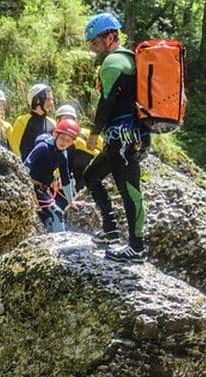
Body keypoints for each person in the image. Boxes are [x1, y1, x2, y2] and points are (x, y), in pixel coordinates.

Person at [83, 12, 151, 263]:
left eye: (96, 42)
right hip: (128, 137)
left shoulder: (113, 63)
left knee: (129, 190)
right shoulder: (130, 60)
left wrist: (93, 133)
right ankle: (111, 231)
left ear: (110, 37)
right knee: (91, 176)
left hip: (123, 138)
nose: (94, 48)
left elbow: (107, 101)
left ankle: (136, 247)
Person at [23, 119, 80, 233]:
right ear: (55, 134)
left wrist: (70, 202)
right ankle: (61, 243)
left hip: (43, 190)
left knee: (49, 219)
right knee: (57, 213)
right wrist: (24, 189)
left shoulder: (63, 154)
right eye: (62, 138)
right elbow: (27, 166)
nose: (64, 143)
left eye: (68, 141)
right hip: (32, 187)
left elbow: (65, 179)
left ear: (71, 143)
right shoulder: (43, 147)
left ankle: (55, 243)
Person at [54, 104, 103, 192]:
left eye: (71, 119)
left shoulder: (88, 135)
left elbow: (104, 150)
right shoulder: (56, 141)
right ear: (58, 122)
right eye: (65, 119)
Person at [9, 83, 57, 160]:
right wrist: (20, 168)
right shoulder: (22, 121)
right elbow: (14, 146)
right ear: (37, 100)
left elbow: (56, 150)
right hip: (26, 169)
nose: (51, 103)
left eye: (52, 99)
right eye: (48, 99)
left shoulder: (53, 123)